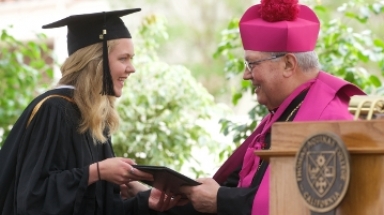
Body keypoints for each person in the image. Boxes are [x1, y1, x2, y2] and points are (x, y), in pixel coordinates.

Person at [135, 1, 366, 215]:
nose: (246, 75)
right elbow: (233, 188)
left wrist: (221, 199)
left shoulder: (331, 117)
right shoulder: (284, 112)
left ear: (288, 64)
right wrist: (146, 197)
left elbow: (307, 203)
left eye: (252, 64)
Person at [0, 8, 181, 215]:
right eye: (123, 59)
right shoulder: (55, 110)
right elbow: (32, 198)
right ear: (96, 62)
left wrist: (145, 201)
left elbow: (100, 208)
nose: (132, 68)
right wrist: (97, 172)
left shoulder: (94, 118)